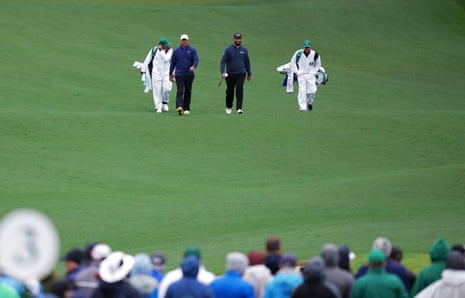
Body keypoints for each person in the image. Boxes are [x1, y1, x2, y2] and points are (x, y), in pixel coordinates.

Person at [220, 32, 252, 114]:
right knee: (230, 91)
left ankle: (239, 108)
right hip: (230, 73)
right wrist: (222, 72)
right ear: (234, 39)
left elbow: (247, 62)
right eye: (236, 38)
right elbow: (223, 61)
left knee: (239, 89)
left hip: (241, 73)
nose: (238, 40)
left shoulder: (244, 50)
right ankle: (229, 106)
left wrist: (249, 73)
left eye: (239, 38)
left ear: (241, 39)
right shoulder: (228, 49)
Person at [169, 34, 199, 116]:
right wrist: (170, 73)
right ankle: (179, 106)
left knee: (188, 91)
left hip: (189, 74)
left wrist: (193, 66)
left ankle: (186, 108)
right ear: (180, 41)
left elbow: (196, 60)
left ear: (188, 41)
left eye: (185, 40)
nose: (184, 41)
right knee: (180, 90)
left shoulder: (192, 50)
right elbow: (173, 63)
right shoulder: (176, 51)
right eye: (183, 40)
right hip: (179, 74)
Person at [288, 39, 322, 112]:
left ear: (310, 47)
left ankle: (309, 102)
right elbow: (292, 62)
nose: (307, 49)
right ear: (304, 47)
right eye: (306, 47)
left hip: (310, 75)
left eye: (308, 47)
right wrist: (297, 72)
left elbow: (318, 65)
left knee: (312, 90)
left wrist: (314, 72)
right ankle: (302, 107)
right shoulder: (298, 53)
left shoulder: (315, 54)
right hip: (301, 75)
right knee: (302, 91)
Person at [142, 38, 173, 113]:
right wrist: (143, 71)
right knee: (157, 90)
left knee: (167, 88)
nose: (167, 46)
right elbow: (147, 60)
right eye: (166, 45)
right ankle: (158, 106)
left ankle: (165, 102)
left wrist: (161, 51)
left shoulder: (170, 51)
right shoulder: (154, 50)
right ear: (161, 45)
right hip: (156, 73)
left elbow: (166, 59)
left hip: (166, 73)